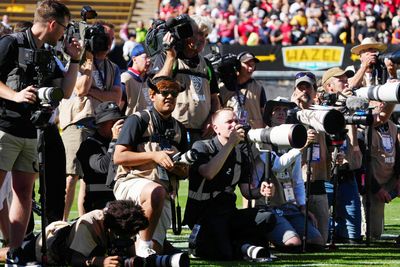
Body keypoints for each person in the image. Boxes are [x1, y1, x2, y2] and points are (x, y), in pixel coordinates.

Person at [0, 0, 82, 264]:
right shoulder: (11, 43)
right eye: (65, 27)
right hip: (5, 127)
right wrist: (15, 95)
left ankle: (15, 253)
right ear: (52, 24)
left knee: (23, 192)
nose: (65, 33)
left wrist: (76, 59)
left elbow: (66, 91)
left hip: (32, 131)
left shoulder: (49, 51)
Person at [183, 108, 276, 261]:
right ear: (215, 128)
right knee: (224, 254)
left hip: (228, 212)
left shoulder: (241, 155)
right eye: (229, 122)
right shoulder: (202, 146)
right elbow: (208, 172)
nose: (235, 125)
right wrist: (231, 144)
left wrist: (261, 191)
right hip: (204, 213)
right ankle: (239, 248)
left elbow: (246, 192)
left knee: (266, 217)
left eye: (237, 121)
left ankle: (240, 246)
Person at [113, 76, 189, 257]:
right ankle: (143, 245)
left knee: (155, 254)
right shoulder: (137, 119)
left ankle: (137, 250)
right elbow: (119, 156)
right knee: (156, 192)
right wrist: (154, 156)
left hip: (164, 190)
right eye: (164, 93)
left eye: (174, 93)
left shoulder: (180, 128)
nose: (170, 96)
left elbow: (185, 172)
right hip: (132, 181)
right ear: (152, 95)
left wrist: (175, 167)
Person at [59, 20, 122, 221]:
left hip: (99, 125)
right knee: (71, 176)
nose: (109, 42)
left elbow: (116, 97)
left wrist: (96, 93)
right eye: (105, 38)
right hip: (78, 123)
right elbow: (81, 89)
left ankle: (86, 222)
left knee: (90, 178)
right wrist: (87, 58)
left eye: (112, 38)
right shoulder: (77, 61)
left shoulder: (113, 67)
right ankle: (61, 223)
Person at [259, 97, 324, 250]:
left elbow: (297, 180)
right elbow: (276, 167)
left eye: (284, 110)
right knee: (293, 244)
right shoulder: (262, 139)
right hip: (271, 207)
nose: (281, 113)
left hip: (290, 206)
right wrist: (301, 148)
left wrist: (302, 206)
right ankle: (275, 237)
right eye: (277, 110)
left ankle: (287, 232)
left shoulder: (292, 141)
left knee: (317, 241)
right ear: (269, 114)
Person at [152, 15, 220, 144]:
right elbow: (157, 85)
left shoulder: (206, 64)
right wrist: (171, 57)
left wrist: (213, 118)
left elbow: (214, 98)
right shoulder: (168, 57)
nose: (202, 39)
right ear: (186, 34)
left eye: (205, 36)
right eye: (199, 34)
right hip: (174, 132)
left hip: (202, 133)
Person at [321, 67, 363, 243]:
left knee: (352, 238)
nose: (346, 82)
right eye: (341, 80)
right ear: (329, 87)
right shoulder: (321, 110)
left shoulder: (351, 106)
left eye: (347, 79)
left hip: (347, 173)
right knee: (323, 234)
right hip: (326, 175)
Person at [291, 72, 330, 244]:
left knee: (322, 237)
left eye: (308, 87)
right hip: (295, 183)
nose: (304, 91)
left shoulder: (323, 113)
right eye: (301, 87)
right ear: (294, 90)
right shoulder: (287, 113)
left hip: (318, 180)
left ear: (315, 92)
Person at [76, 101, 124, 212]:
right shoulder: (89, 145)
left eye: (118, 120)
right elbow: (103, 167)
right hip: (98, 202)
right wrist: (115, 141)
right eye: (112, 122)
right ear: (99, 125)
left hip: (121, 196)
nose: (116, 125)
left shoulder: (124, 142)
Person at [219, 51, 266, 129]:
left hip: (254, 134)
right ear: (238, 66)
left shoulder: (259, 88)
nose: (250, 68)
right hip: (231, 133)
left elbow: (264, 112)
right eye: (247, 65)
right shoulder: (223, 87)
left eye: (253, 65)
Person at [120, 44, 152, 116]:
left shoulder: (149, 79)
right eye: (145, 57)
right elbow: (119, 107)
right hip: (132, 124)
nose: (149, 60)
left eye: (150, 57)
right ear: (134, 59)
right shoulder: (126, 78)